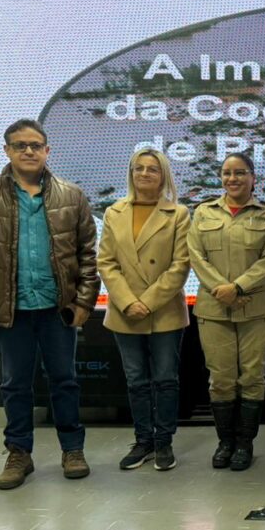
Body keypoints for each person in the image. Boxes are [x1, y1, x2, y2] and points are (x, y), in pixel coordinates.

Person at [0, 119, 99, 489]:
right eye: (20, 145)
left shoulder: (72, 196)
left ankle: (72, 449)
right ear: (7, 151)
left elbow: (87, 255)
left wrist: (84, 300)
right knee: (15, 384)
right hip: (8, 309)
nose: (29, 151)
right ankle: (19, 453)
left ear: (47, 151)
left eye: (35, 145)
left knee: (65, 380)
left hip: (57, 309)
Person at [97, 149, 190, 471]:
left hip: (163, 311)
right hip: (124, 311)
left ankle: (164, 442)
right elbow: (106, 262)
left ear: (163, 175)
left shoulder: (178, 214)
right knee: (136, 380)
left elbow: (180, 266)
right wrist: (128, 301)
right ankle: (142, 441)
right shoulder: (114, 212)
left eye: (153, 169)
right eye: (139, 168)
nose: (145, 174)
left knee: (166, 379)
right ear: (131, 173)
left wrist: (147, 302)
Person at [188, 153, 265, 472]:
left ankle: (245, 443)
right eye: (227, 173)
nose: (233, 179)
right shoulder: (203, 212)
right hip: (214, 310)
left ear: (254, 178)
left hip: (256, 309)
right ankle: (225, 442)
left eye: (240, 173)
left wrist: (238, 287)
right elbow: (196, 256)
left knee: (252, 376)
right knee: (221, 380)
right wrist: (223, 290)